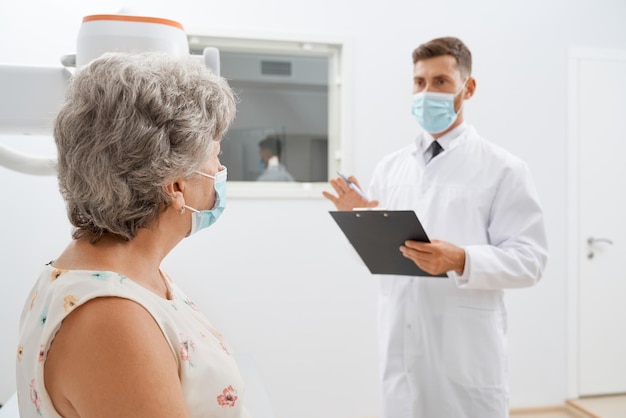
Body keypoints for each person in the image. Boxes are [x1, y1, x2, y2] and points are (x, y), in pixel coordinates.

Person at [15, 52, 250, 418]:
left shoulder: (134, 274)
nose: (220, 170)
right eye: (215, 156)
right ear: (175, 185)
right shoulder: (113, 320)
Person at [323, 36, 548, 418]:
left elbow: (531, 261)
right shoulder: (391, 168)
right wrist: (358, 219)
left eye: (441, 81)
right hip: (401, 347)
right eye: (420, 82)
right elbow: (375, 259)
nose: (428, 92)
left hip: (465, 356)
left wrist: (462, 259)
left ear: (468, 87)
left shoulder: (504, 169)